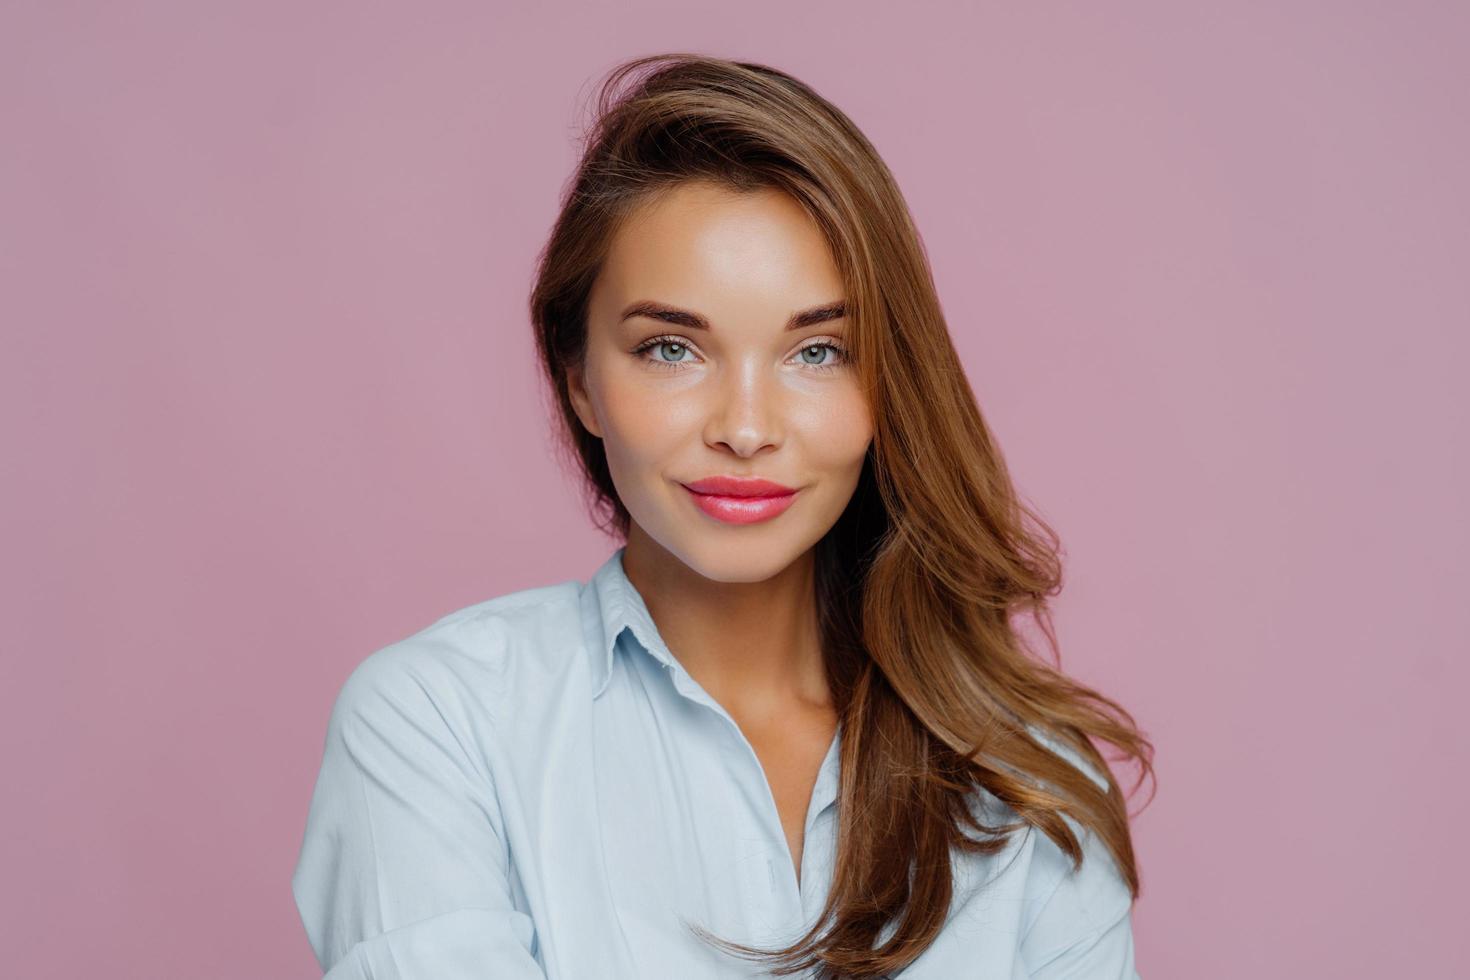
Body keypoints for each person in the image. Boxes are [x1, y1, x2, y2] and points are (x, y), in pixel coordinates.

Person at [290, 53, 1154, 980]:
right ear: (579, 379)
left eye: (817, 351)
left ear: (886, 384)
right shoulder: (437, 726)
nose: (746, 429)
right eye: (672, 348)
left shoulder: (1025, 781)